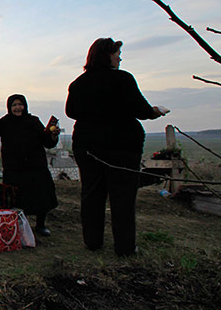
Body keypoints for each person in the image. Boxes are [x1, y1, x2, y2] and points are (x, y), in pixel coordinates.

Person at [66, 38, 168, 256]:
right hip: (121, 146)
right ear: (106, 55)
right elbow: (141, 110)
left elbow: (71, 112)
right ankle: (125, 247)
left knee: (92, 194)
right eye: (117, 53)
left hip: (87, 146)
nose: (120, 58)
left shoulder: (77, 84)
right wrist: (154, 111)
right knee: (122, 197)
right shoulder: (123, 79)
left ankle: (93, 241)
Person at [0, 94, 60, 236]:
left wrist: (53, 135)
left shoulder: (34, 121)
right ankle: (15, 226)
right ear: (9, 107)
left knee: (40, 196)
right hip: (14, 168)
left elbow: (47, 142)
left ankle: (41, 225)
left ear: (25, 106)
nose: (17, 108)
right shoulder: (4, 122)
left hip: (36, 167)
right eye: (14, 105)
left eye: (20, 104)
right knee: (15, 199)